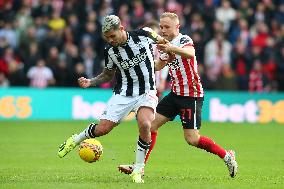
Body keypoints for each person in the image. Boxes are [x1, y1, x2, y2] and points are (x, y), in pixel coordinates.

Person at [118, 12, 238, 178]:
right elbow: (159, 65)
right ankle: (139, 166)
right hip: (175, 94)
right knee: (149, 126)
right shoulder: (165, 45)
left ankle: (226, 155)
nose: (163, 30)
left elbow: (190, 53)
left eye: (167, 27)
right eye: (161, 27)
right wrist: (137, 64)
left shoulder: (183, 40)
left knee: (192, 139)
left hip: (191, 96)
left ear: (177, 27)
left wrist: (170, 48)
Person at [57, 15, 170, 183]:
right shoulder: (110, 51)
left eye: (112, 36)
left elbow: (165, 43)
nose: (111, 40)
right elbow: (108, 74)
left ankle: (138, 170)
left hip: (147, 91)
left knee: (146, 124)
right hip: (123, 93)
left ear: (121, 29)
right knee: (102, 129)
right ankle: (76, 139)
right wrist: (91, 81)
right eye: (107, 37)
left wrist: (169, 55)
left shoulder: (145, 34)